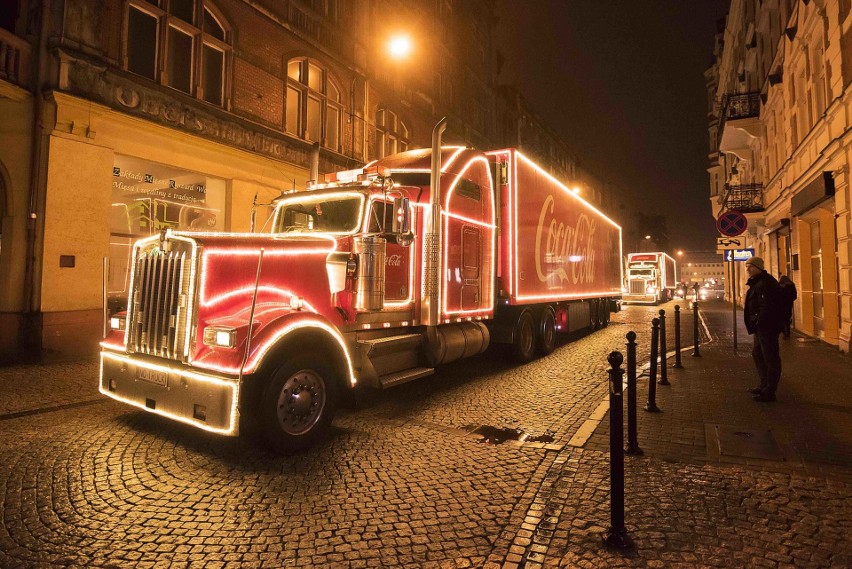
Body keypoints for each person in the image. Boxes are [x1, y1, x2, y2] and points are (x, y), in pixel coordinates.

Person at [743, 257, 784, 402]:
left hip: (767, 327)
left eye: (751, 266)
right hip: (760, 326)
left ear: (759, 267)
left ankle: (770, 391)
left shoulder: (765, 283)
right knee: (758, 354)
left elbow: (767, 306)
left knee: (770, 357)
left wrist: (759, 320)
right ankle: (764, 385)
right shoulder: (758, 282)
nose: (747, 269)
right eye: (747, 266)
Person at [778, 275, 797, 339]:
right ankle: (787, 333)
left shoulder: (779, 286)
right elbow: (794, 296)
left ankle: (784, 332)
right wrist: (790, 300)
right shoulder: (792, 285)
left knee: (781, 319)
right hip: (789, 305)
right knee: (787, 319)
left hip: (781, 305)